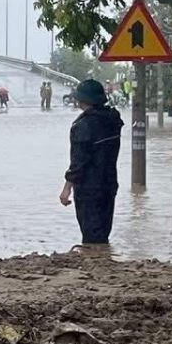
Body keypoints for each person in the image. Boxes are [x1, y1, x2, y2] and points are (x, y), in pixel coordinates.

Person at [59, 78, 123, 246]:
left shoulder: (82, 126)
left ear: (82, 100)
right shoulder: (113, 120)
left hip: (89, 189)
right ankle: (105, 259)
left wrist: (67, 189)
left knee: (91, 234)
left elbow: (79, 162)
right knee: (103, 232)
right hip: (109, 183)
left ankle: (96, 263)